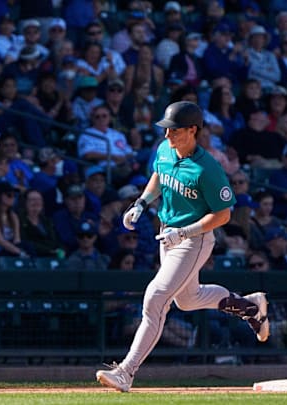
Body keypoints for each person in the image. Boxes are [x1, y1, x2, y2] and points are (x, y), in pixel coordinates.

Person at [95, 101, 269, 392]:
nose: (167, 136)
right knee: (187, 300)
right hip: (168, 234)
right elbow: (158, 176)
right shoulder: (165, 150)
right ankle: (250, 306)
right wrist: (140, 203)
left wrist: (186, 232)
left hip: (195, 238)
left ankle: (126, 371)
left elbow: (224, 214)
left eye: (174, 130)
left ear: (193, 130)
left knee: (155, 297)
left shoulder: (207, 167)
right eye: (166, 130)